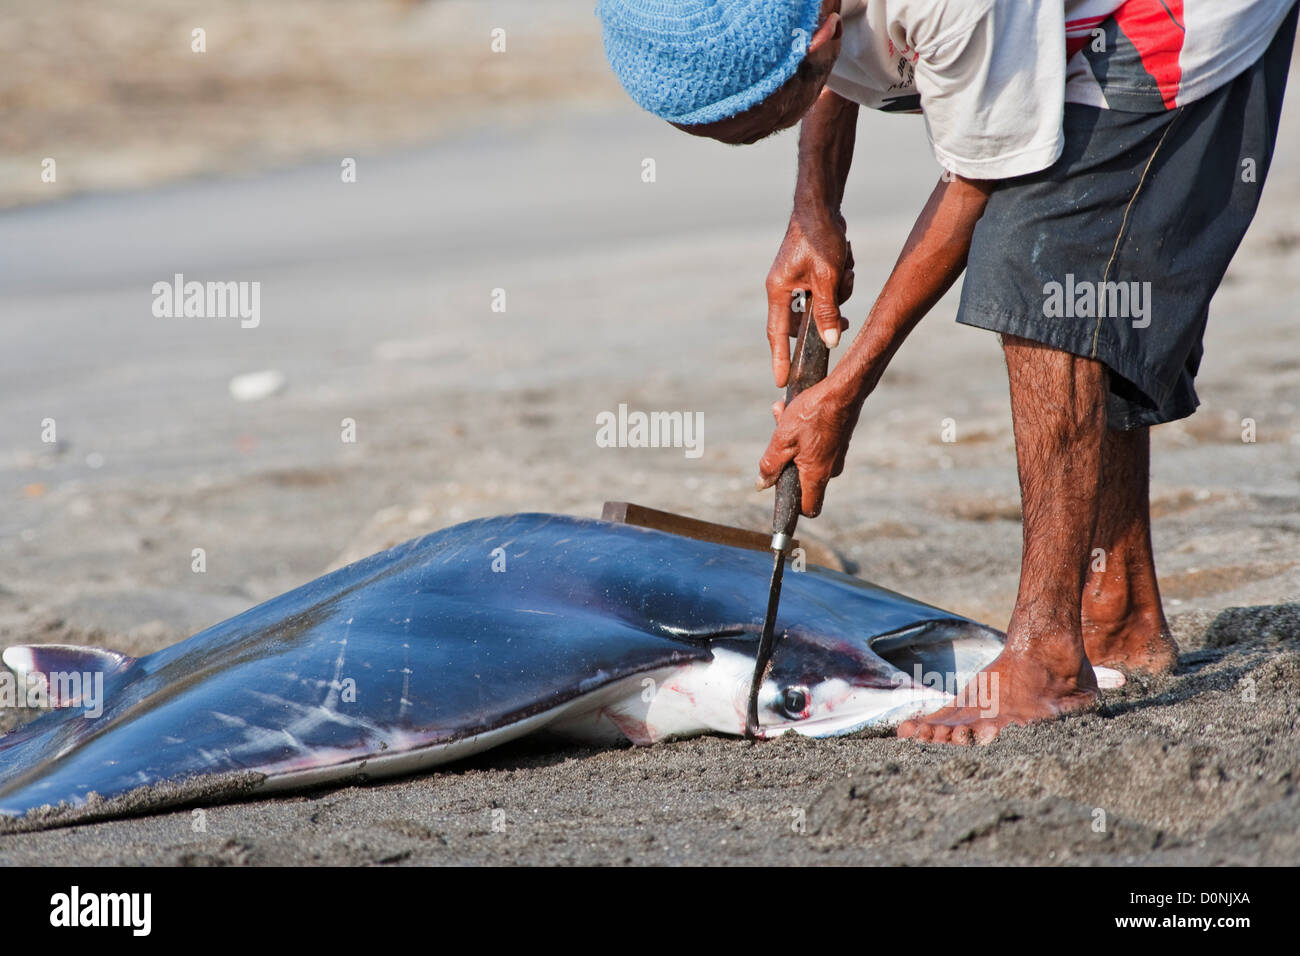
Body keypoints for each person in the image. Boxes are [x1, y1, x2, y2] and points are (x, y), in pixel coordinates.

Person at [595, 0, 1298, 742]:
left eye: (755, 126)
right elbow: (840, 64)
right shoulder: (809, 22)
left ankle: (1051, 660)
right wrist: (814, 209)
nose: (749, 140)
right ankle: (1116, 612)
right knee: (1079, 253)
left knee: (1045, 261)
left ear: (821, 37)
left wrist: (847, 387)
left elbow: (976, 180)